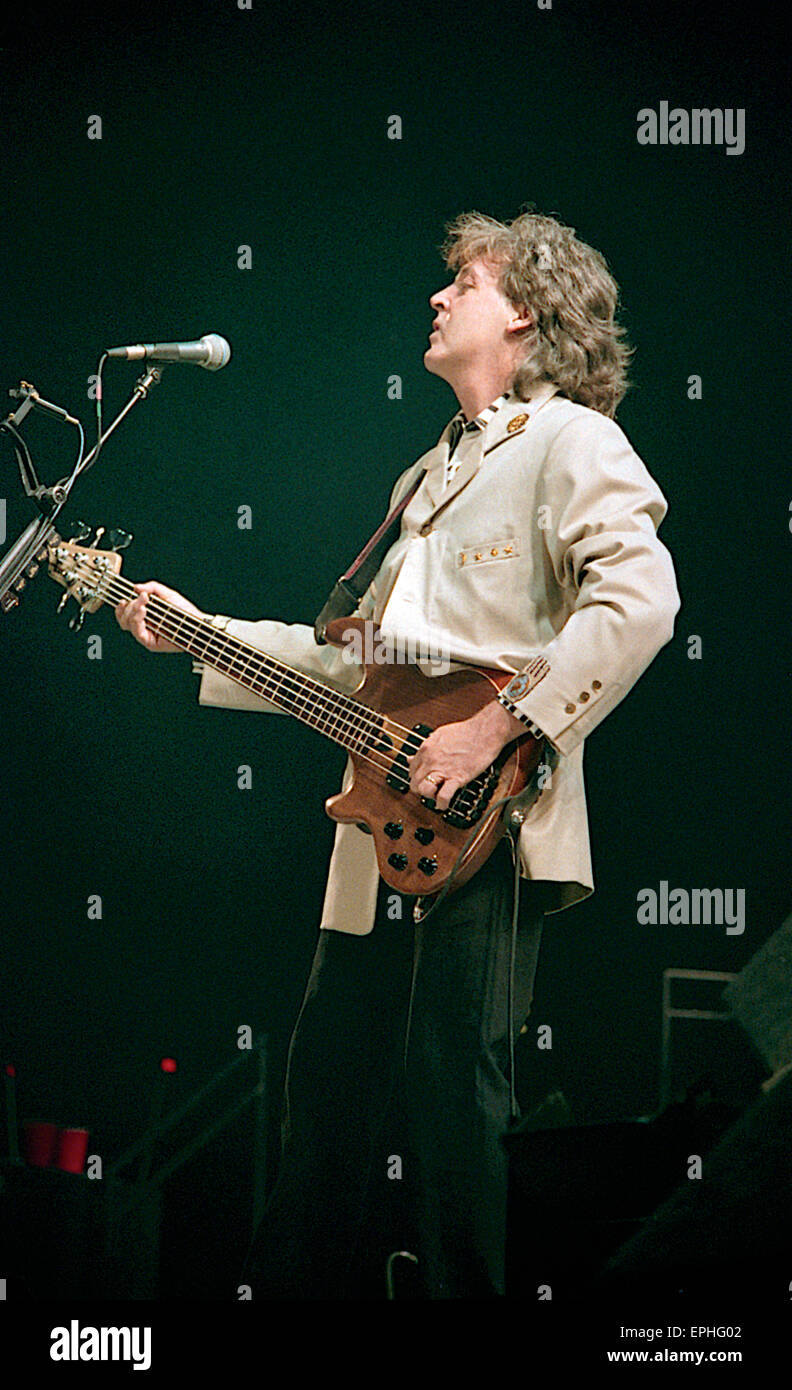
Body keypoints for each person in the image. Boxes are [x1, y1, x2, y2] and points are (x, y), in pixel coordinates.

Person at [115, 209, 681, 1298]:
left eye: (461, 281)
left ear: (523, 311)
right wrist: (197, 628)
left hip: (489, 824)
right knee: (323, 1102)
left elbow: (643, 599)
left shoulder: (572, 441)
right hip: (382, 831)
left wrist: (494, 724)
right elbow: (355, 664)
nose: (436, 297)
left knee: (458, 1109)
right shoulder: (422, 481)